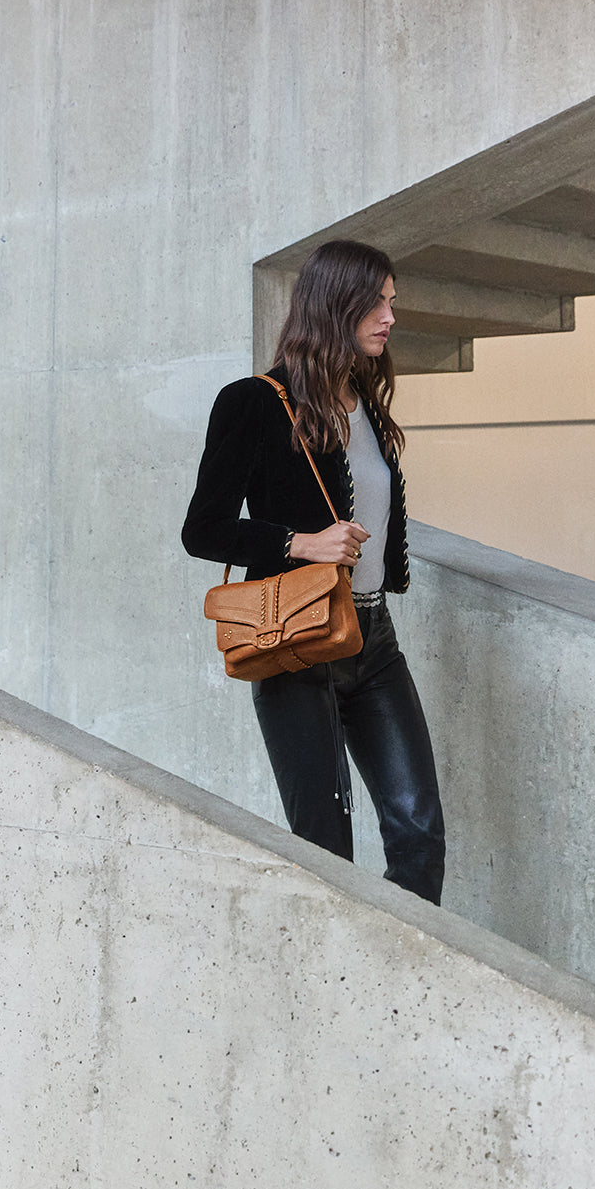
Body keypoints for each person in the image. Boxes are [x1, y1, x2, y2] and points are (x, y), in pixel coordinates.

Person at [182, 239, 445, 905]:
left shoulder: (366, 404)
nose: (390, 317)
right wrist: (301, 543)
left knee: (418, 833)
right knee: (325, 848)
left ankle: (395, 960)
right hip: (297, 642)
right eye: (377, 302)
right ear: (335, 303)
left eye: (392, 302)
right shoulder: (254, 402)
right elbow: (202, 530)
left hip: (374, 639)